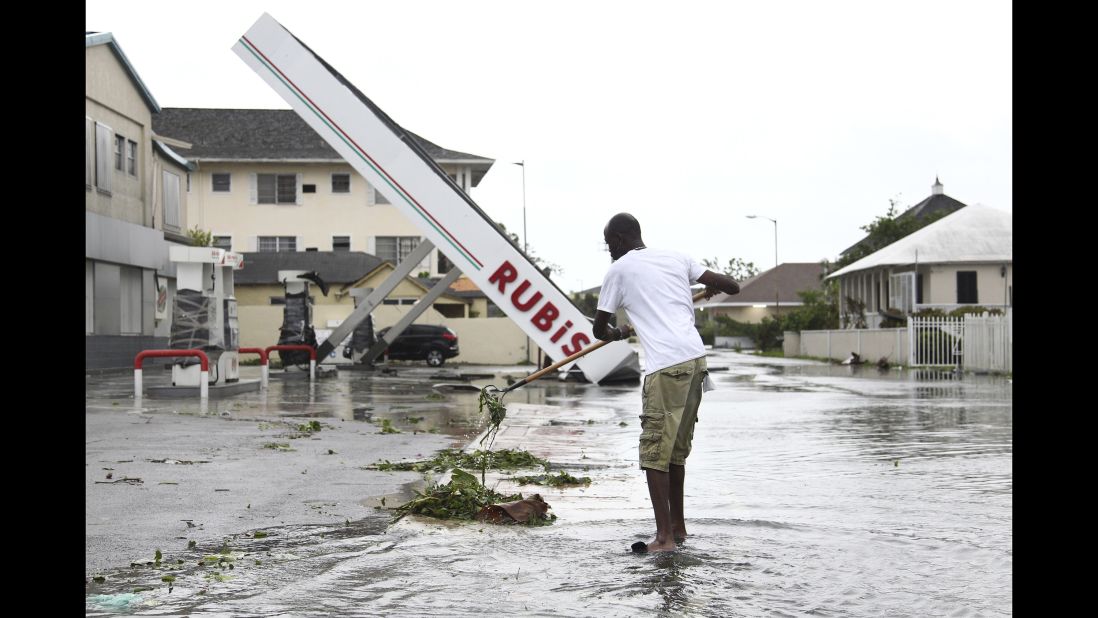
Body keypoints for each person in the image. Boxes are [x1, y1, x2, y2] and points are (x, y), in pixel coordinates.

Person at [593, 213, 740, 553]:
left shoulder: (619, 270)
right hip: (695, 362)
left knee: (654, 451)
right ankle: (678, 526)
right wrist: (708, 286)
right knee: (674, 451)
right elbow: (732, 286)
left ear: (616, 241)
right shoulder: (677, 258)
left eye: (607, 245)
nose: (608, 251)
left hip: (666, 367)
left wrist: (618, 333)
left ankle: (664, 539)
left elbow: (599, 329)